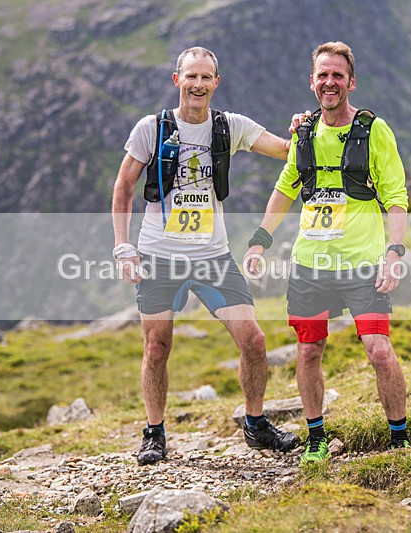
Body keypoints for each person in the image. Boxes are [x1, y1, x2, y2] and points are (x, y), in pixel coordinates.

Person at [112, 46, 300, 465]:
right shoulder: (151, 128)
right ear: (176, 80)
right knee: (157, 347)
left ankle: (255, 424)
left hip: (213, 256)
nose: (198, 84)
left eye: (206, 77)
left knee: (254, 341)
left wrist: (302, 129)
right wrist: (124, 248)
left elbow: (284, 150)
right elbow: (124, 187)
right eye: (190, 76)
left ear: (217, 82)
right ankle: (154, 433)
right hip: (159, 256)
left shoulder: (229, 127)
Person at [245, 41, 411, 464]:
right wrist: (260, 239)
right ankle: (316, 437)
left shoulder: (374, 130)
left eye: (338, 75)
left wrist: (394, 252)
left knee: (378, 348)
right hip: (310, 266)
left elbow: (395, 195)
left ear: (351, 82)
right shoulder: (303, 133)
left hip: (362, 263)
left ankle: (400, 437)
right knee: (309, 350)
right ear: (312, 82)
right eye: (323, 75)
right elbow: (285, 188)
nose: (330, 82)